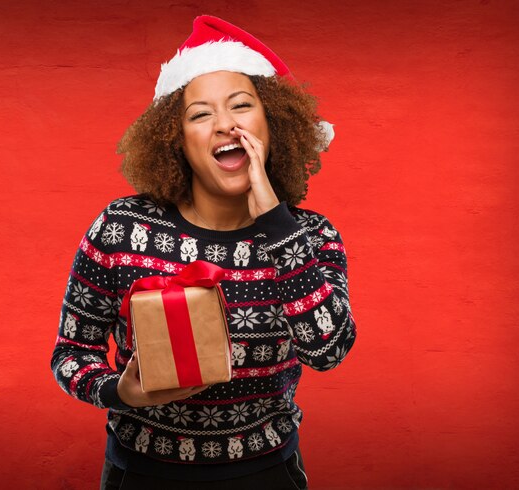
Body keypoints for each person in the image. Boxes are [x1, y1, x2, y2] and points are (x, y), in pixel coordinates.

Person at [51, 15, 357, 490]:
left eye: (241, 106)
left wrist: (276, 223)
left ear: (271, 122)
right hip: (141, 473)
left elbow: (327, 350)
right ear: (177, 140)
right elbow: (72, 354)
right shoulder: (122, 228)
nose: (225, 125)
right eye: (200, 114)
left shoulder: (311, 236)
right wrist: (121, 391)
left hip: (266, 473)